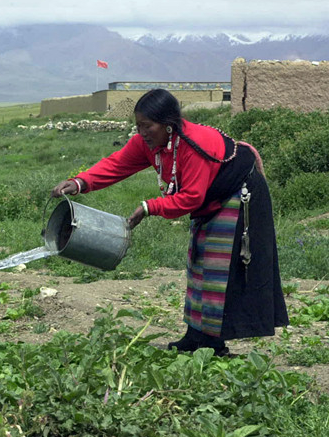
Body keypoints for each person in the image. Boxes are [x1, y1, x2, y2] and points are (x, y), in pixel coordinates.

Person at [51, 88, 288, 356]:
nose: (141, 132)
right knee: (197, 262)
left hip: (238, 194)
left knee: (218, 267)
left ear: (168, 124)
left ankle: (213, 343)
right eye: (138, 125)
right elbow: (117, 164)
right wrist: (80, 182)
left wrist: (149, 207)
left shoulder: (193, 145)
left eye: (147, 125)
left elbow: (191, 198)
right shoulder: (151, 142)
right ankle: (195, 334)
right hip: (210, 197)